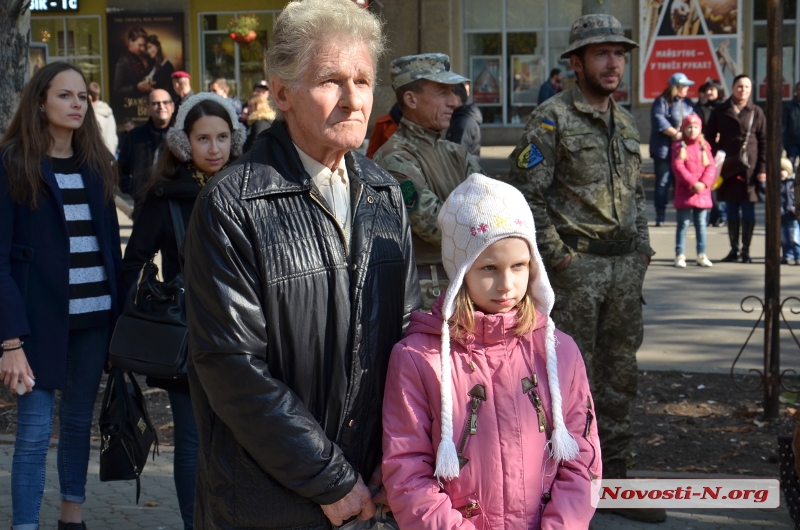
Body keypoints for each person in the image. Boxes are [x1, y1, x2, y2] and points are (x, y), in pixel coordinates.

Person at [182, 1, 420, 528]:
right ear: (282, 92)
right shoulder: (233, 204)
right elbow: (232, 367)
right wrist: (331, 480)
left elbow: (407, 340)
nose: (354, 99)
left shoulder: (384, 194)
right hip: (268, 501)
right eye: (331, 80)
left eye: (364, 79)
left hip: (370, 492)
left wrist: (398, 456)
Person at [507, 14, 663, 524]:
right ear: (576, 63)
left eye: (619, 53)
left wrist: (642, 250)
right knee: (568, 381)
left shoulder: (624, 119)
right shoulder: (552, 118)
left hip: (623, 269)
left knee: (621, 377)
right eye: (601, 54)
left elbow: (635, 197)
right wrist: (560, 258)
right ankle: (565, 485)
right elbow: (527, 193)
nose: (613, 62)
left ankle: (618, 479)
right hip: (577, 269)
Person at [382, 174, 601, 529]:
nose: (506, 284)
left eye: (519, 266)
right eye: (488, 269)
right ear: (460, 271)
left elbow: (583, 458)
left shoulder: (560, 351)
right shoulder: (418, 358)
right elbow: (407, 472)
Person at [0, 62, 123, 530]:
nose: (77, 105)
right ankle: (25, 524)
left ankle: (73, 519)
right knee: (32, 435)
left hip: (93, 324)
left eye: (82, 97)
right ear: (40, 102)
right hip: (36, 328)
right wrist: (10, 342)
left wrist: (117, 327)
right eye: (64, 96)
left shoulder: (97, 165)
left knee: (77, 425)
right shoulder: (14, 163)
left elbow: (111, 250)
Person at [120, 93, 243, 530]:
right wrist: (141, 316)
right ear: (183, 142)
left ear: (235, 139)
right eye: (203, 138)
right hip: (187, 336)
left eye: (223, 137)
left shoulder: (250, 189)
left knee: (240, 438)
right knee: (191, 440)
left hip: (246, 337)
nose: (214, 148)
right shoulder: (165, 198)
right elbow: (132, 264)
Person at [373, 53, 482, 311]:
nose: (455, 102)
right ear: (411, 99)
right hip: (428, 293)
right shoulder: (394, 158)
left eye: (453, 92)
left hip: (466, 284)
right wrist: (480, 223)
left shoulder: (455, 153)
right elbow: (434, 225)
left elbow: (497, 209)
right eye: (442, 93)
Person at [706, 74, 766, 264]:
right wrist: (717, 157)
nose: (743, 90)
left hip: (751, 166)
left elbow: (764, 141)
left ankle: (746, 250)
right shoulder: (720, 110)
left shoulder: (756, 111)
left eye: (747, 87)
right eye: (740, 86)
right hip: (728, 166)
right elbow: (708, 137)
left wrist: (763, 169)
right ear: (732, 88)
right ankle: (734, 249)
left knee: (748, 209)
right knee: (731, 208)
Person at [649, 72, 696, 226]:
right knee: (663, 183)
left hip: (682, 151)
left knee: (681, 183)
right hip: (664, 150)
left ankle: (682, 215)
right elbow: (658, 120)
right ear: (675, 87)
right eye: (684, 86)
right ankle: (660, 215)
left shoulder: (688, 103)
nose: (687, 89)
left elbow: (695, 120)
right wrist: (676, 133)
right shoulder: (661, 102)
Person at [671, 114, 716, 268]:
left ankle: (701, 254)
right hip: (685, 191)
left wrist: (703, 183)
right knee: (683, 223)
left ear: (700, 129)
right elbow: (678, 167)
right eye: (689, 127)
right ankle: (679, 254)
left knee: (701, 224)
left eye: (696, 127)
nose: (692, 130)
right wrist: (693, 183)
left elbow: (711, 166)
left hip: (702, 192)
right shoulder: (679, 146)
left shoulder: (705, 146)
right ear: (684, 128)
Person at [118, 88, 175, 206]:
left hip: (175, 204)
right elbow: (121, 169)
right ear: (147, 108)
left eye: (165, 102)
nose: (161, 106)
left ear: (172, 107)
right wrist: (134, 189)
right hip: (143, 205)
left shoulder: (183, 136)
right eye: (155, 103)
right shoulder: (134, 136)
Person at [445, 81, 482, 159]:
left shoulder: (464, 123)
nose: (445, 101)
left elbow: (458, 158)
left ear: (457, 99)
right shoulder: (459, 118)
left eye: (447, 96)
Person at [113, 26, 152, 98]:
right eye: (140, 45)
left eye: (144, 45)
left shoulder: (141, 58)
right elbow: (117, 89)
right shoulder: (122, 62)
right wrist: (136, 87)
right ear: (131, 42)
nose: (142, 48)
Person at [87, 81, 118, 155]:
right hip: (110, 157)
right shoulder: (109, 112)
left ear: (89, 97)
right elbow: (114, 138)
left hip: (98, 159)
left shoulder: (93, 116)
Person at [779, 157, 800, 265]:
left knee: (794, 237)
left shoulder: (793, 182)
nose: (781, 173)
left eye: (783, 170)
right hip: (781, 216)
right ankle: (787, 256)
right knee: (783, 238)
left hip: (792, 216)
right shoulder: (777, 184)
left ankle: (798, 256)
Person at [144, 34, 176, 101]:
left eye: (150, 47)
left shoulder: (167, 66)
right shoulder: (151, 66)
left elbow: (169, 90)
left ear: (157, 47)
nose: (148, 51)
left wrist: (150, 88)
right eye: (147, 49)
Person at [783, 82, 800, 168]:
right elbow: (784, 126)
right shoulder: (789, 107)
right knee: (789, 168)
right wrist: (783, 144)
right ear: (796, 91)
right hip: (792, 143)